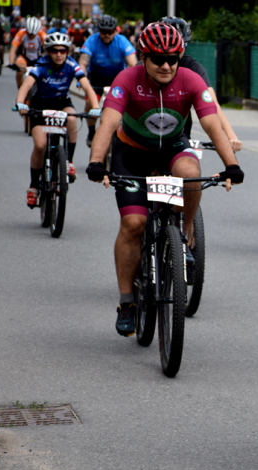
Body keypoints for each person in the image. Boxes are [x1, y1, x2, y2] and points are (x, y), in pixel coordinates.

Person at [85, 22, 243, 336]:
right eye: (158, 58)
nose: (167, 65)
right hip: (132, 154)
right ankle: (127, 301)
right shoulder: (126, 79)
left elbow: (212, 125)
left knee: (192, 174)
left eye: (173, 58)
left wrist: (231, 164)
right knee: (133, 225)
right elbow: (108, 122)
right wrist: (95, 161)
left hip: (172, 147)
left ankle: (184, 235)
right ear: (143, 57)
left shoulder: (191, 80)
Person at [15, 33, 100, 206]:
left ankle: (69, 161)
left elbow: (86, 86)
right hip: (40, 106)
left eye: (62, 50)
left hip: (61, 103)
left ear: (67, 51)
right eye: (54, 50)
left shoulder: (71, 64)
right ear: (47, 51)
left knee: (72, 119)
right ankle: (33, 187)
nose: (59, 54)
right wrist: (20, 103)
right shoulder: (41, 64)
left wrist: (96, 107)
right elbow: (27, 84)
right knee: (40, 145)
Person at [160, 16, 242, 151]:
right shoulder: (147, 65)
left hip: (179, 132)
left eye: (182, 46)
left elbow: (211, 103)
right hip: (144, 133)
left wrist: (230, 136)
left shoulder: (192, 66)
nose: (176, 51)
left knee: (188, 169)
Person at [78, 14, 137, 147]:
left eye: (109, 32)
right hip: (96, 79)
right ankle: (91, 132)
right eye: (103, 31)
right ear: (98, 30)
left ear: (115, 31)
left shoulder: (122, 41)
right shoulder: (92, 41)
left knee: (126, 106)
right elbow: (83, 63)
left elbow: (133, 64)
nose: (106, 35)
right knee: (90, 104)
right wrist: (80, 78)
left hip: (117, 79)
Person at [9, 17, 47, 88]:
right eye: (29, 33)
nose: (31, 35)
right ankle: (21, 90)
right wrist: (11, 62)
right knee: (20, 70)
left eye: (34, 34)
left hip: (37, 58)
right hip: (24, 58)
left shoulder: (42, 34)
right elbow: (13, 48)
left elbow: (48, 49)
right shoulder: (21, 33)